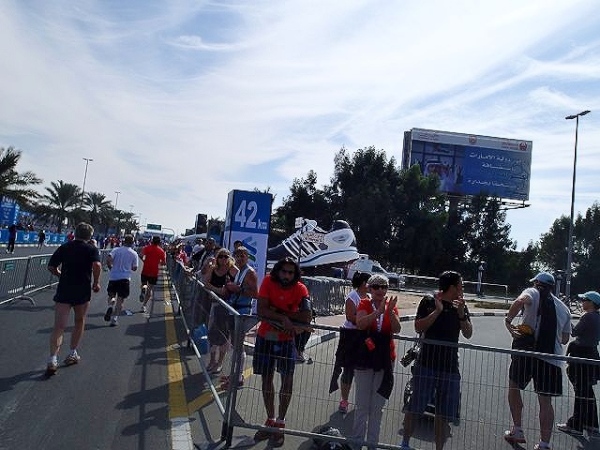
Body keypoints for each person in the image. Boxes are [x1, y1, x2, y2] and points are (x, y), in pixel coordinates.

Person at [401, 271, 473, 450]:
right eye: (461, 285)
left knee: (443, 413)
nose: (463, 289)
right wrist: (437, 311)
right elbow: (418, 327)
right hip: (427, 363)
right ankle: (405, 443)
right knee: (415, 406)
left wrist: (461, 313)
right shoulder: (429, 301)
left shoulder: (460, 305)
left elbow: (468, 333)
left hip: (450, 366)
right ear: (452, 287)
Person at [503, 272, 571, 450]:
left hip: (527, 352)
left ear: (537, 283)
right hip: (551, 358)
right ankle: (544, 443)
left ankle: (517, 429)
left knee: (514, 387)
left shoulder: (533, 292)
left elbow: (520, 301)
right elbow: (564, 339)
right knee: (545, 402)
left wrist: (509, 321)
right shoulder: (564, 308)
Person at [252, 257, 312, 448]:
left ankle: (280, 423)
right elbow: (261, 310)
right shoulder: (267, 281)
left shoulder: (301, 289)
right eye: (284, 271)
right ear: (278, 271)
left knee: (287, 381)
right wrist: (285, 318)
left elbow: (307, 316)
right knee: (266, 379)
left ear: (295, 274)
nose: (286, 275)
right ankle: (270, 420)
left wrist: (277, 313)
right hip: (265, 338)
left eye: (290, 272)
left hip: (286, 341)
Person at [45, 222, 101, 376]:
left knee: (59, 326)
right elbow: (97, 265)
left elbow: (51, 267)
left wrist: (60, 275)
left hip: (64, 289)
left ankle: (53, 359)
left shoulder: (65, 247)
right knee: (79, 321)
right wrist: (96, 282)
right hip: (82, 290)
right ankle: (72, 353)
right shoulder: (91, 249)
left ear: (75, 233)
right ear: (90, 236)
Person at [352, 274, 400, 450]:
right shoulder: (364, 303)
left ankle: (372, 444)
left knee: (377, 407)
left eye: (384, 286)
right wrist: (378, 312)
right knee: (362, 405)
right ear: (370, 289)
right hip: (365, 358)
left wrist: (389, 313)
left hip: (385, 359)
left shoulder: (391, 306)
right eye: (376, 286)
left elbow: (397, 329)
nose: (380, 290)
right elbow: (360, 324)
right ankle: (357, 442)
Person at [557, 290, 600, 436]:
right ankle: (592, 422)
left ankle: (576, 424)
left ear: (591, 303)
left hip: (581, 354)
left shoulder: (587, 317)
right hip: (592, 353)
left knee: (580, 390)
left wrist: (567, 317)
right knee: (587, 390)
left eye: (584, 300)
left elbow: (574, 332)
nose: (582, 303)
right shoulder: (597, 317)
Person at [330, 271, 371, 414]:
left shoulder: (369, 297)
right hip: (351, 336)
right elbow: (350, 316)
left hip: (365, 336)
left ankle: (362, 401)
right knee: (348, 370)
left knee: (364, 370)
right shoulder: (352, 297)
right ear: (363, 283)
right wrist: (366, 320)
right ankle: (344, 400)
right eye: (369, 282)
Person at [222, 245, 259, 387]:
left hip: (242, 313)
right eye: (237, 256)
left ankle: (238, 377)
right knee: (235, 344)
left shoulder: (250, 273)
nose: (239, 258)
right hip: (234, 311)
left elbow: (255, 294)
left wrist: (237, 289)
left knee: (238, 345)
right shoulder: (239, 271)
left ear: (247, 257)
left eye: (242, 255)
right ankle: (235, 373)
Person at [203, 248, 237, 374]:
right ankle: (212, 360)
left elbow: (236, 286)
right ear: (217, 257)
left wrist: (223, 291)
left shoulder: (233, 270)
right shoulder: (213, 269)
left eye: (226, 256)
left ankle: (220, 362)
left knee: (224, 335)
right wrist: (218, 290)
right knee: (212, 333)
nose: (223, 259)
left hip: (227, 307)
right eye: (221, 256)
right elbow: (205, 283)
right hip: (214, 304)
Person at [103, 234, 139, 327]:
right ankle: (114, 319)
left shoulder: (116, 250)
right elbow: (135, 268)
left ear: (123, 241)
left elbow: (108, 259)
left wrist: (111, 267)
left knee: (111, 295)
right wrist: (129, 267)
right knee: (121, 299)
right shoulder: (134, 253)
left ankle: (110, 305)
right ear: (132, 242)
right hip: (125, 278)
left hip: (114, 277)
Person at [140, 236, 167, 313]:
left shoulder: (146, 248)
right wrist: (158, 262)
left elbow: (141, 255)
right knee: (150, 289)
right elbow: (164, 263)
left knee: (144, 284)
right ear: (159, 242)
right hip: (154, 272)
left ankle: (143, 289)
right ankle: (144, 305)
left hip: (145, 270)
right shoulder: (161, 251)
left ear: (152, 241)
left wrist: (144, 261)